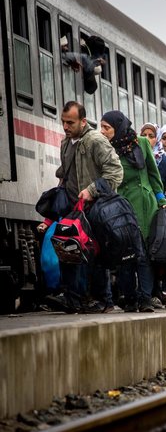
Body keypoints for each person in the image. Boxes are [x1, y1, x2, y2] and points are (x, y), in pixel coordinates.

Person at [37, 101, 123, 313]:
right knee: (70, 250)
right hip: (73, 208)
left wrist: (92, 191)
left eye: (70, 123)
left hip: (96, 206)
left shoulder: (96, 141)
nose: (65, 127)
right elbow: (65, 176)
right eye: (63, 122)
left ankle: (103, 301)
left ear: (83, 121)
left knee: (93, 254)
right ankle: (74, 298)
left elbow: (115, 172)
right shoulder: (66, 143)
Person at [100, 111, 166, 313]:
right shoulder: (105, 149)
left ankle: (146, 298)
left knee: (143, 254)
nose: (102, 132)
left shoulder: (141, 142)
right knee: (125, 254)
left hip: (144, 204)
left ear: (118, 127)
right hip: (120, 207)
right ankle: (129, 297)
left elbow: (153, 175)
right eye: (101, 127)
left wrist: (160, 198)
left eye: (106, 127)